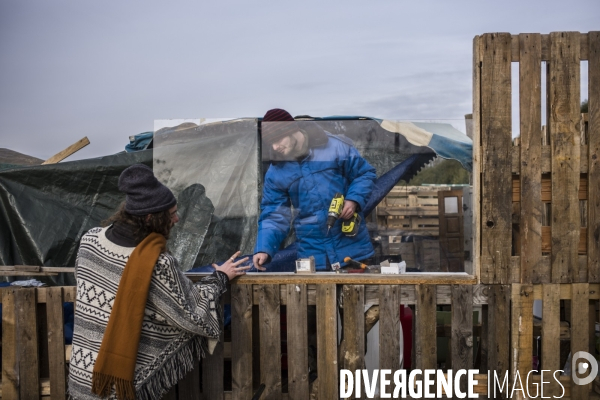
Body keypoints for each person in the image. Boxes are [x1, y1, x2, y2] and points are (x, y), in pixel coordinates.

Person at [67, 164, 249, 400]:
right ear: (151, 218)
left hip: (82, 372)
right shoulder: (158, 264)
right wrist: (221, 277)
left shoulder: (90, 240)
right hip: (119, 383)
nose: (177, 218)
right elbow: (195, 314)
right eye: (172, 213)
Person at [253, 108, 377, 271]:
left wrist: (353, 200)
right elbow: (274, 214)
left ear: (291, 130)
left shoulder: (336, 147)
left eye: (278, 140)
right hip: (313, 258)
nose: (275, 147)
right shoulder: (276, 171)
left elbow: (364, 174)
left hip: (353, 251)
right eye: (271, 143)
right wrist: (264, 248)